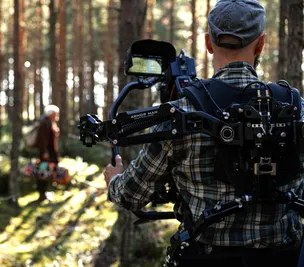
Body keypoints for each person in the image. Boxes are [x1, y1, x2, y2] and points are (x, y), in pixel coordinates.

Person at [103, 0, 303, 266]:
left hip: (205, 257)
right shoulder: (295, 106)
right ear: (261, 43)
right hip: (285, 258)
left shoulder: (182, 110)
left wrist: (114, 180)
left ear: (209, 43)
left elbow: (132, 195)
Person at [34, 104, 60, 201]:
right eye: (56, 113)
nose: (57, 115)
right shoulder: (45, 122)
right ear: (51, 114)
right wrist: (44, 152)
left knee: (46, 172)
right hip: (45, 154)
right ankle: (41, 195)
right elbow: (43, 139)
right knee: (42, 172)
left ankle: (44, 193)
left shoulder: (49, 122)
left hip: (48, 153)